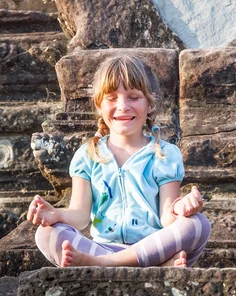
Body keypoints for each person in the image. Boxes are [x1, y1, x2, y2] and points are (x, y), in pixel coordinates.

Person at [28, 55, 211, 268]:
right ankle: (153, 268)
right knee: (46, 233)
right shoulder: (88, 155)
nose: (123, 106)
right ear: (99, 105)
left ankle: (103, 264)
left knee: (198, 225)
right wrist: (56, 214)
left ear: (150, 103)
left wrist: (182, 208)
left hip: (150, 247)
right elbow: (80, 215)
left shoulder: (164, 154)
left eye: (133, 97)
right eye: (112, 98)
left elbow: (167, 217)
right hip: (101, 248)